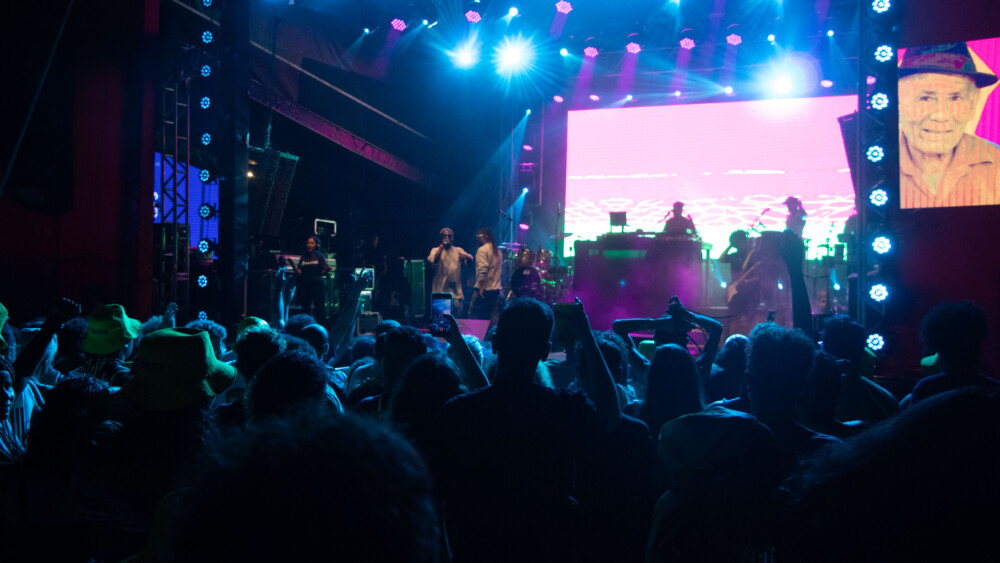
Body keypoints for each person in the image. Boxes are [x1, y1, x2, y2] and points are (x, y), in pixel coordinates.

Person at [898, 41, 1000, 209]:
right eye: (926, 98)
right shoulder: (878, 166)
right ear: (900, 103)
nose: (941, 115)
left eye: (955, 98)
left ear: (972, 105)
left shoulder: (997, 162)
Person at [426, 227, 473, 314]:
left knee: (457, 318)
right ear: (441, 238)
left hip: (456, 293)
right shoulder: (435, 250)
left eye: (449, 236)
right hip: (440, 292)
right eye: (444, 236)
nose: (447, 238)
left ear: (453, 238)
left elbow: (470, 264)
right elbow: (435, 260)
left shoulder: (458, 250)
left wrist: (467, 257)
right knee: (441, 318)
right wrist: (441, 247)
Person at [293, 235, 332, 323]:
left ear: (316, 245)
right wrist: (292, 265)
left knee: (319, 307)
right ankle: (306, 326)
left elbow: (323, 271)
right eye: (308, 243)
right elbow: (299, 272)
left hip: (317, 285)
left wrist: (326, 270)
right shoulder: (303, 258)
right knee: (305, 307)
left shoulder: (320, 257)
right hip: (305, 286)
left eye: (312, 243)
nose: (309, 245)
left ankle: (320, 326)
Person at [471, 227, 502, 325]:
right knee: (494, 316)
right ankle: (493, 333)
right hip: (495, 289)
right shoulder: (498, 251)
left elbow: (483, 270)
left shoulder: (482, 250)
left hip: (484, 289)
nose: (476, 238)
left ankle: (480, 334)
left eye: (478, 236)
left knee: (475, 315)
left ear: (484, 237)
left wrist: (480, 288)